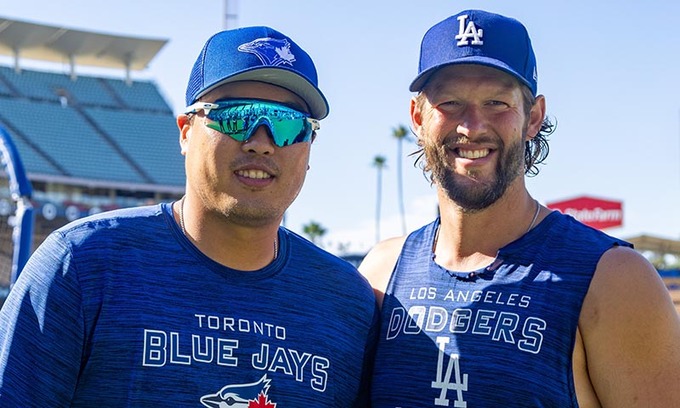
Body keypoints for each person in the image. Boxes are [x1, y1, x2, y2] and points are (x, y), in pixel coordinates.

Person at [0, 26, 378, 406]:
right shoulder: (83, 264)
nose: (261, 143)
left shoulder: (347, 302)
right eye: (235, 117)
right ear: (185, 133)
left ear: (309, 147)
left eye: (288, 124)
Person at [359, 9, 680, 407]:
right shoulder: (381, 274)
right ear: (417, 118)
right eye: (450, 102)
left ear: (534, 117)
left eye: (496, 103)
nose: (472, 126)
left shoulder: (614, 280)